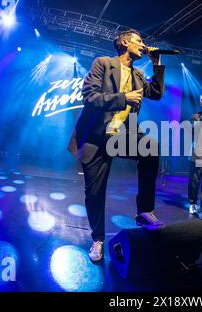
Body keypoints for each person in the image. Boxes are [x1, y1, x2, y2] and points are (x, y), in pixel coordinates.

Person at [67, 29, 166, 262]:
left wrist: (157, 63)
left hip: (122, 135)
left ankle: (143, 211)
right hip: (96, 138)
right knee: (94, 193)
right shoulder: (103, 63)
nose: (143, 44)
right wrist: (124, 98)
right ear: (124, 42)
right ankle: (98, 240)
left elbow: (157, 93)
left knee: (150, 149)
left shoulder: (139, 75)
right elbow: (89, 96)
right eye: (139, 41)